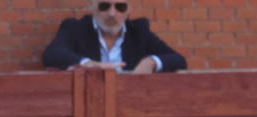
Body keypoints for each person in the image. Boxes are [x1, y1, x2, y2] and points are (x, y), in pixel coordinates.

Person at [42, 2, 186, 73]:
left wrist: (151, 62)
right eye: (104, 6)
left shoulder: (138, 31)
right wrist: (88, 63)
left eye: (120, 7)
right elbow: (51, 54)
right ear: (92, 7)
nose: (112, 13)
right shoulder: (75, 28)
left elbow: (179, 60)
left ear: (128, 10)